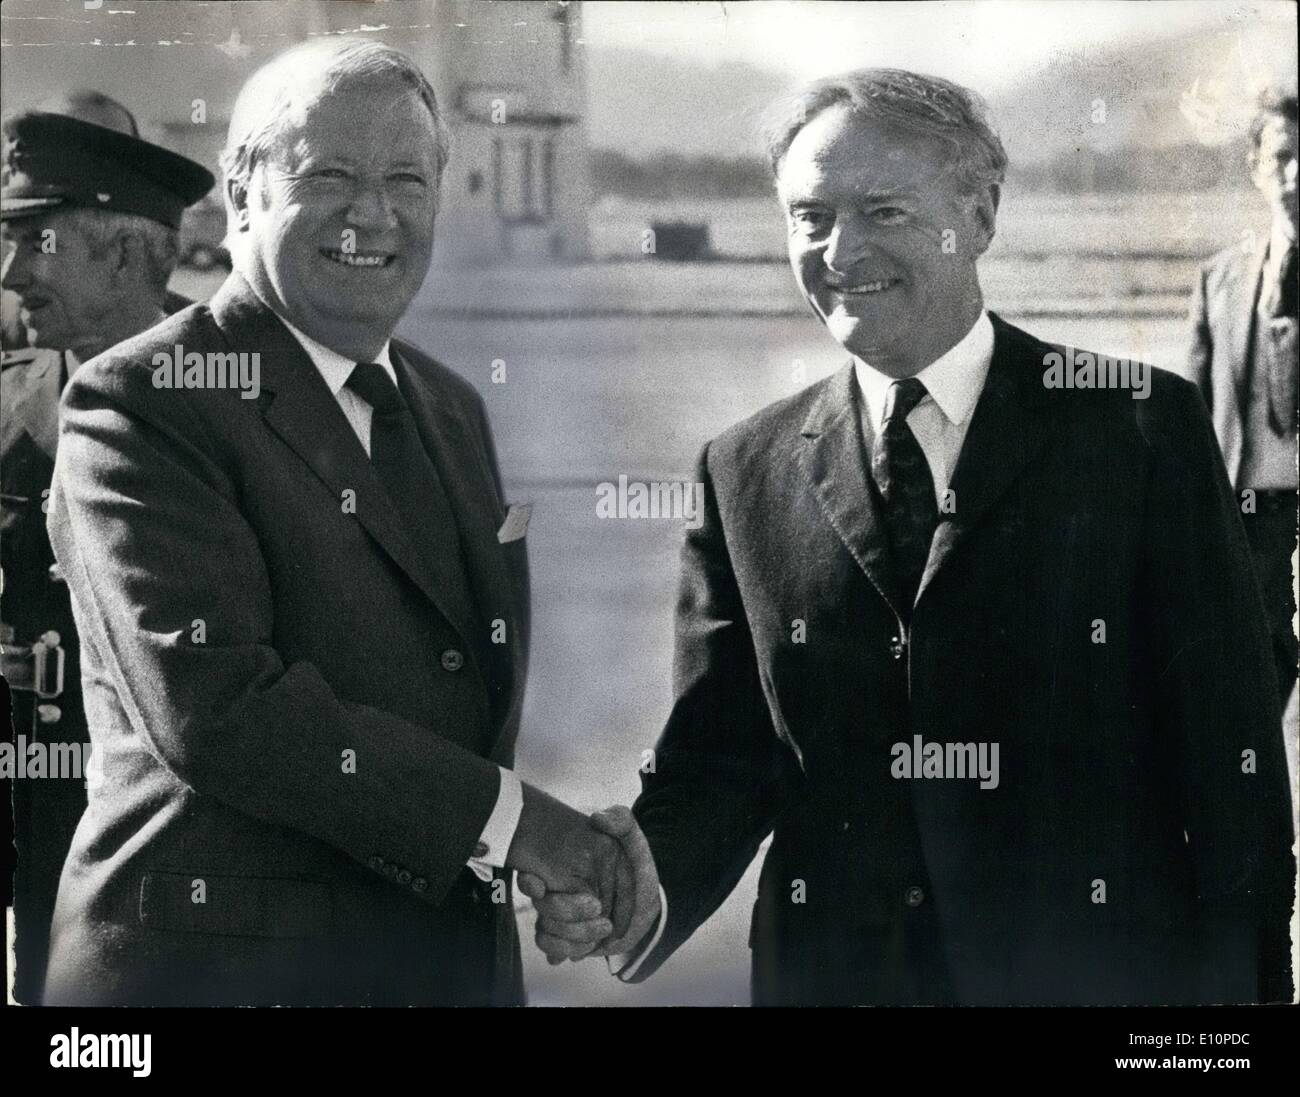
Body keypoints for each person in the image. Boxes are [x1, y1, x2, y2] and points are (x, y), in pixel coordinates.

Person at [526, 68, 1296, 1006]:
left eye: (883, 210)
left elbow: (1232, 771)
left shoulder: (1138, 428)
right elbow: (723, 761)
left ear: (979, 216)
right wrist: (641, 886)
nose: (841, 251)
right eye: (809, 216)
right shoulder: (743, 468)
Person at [42, 38, 645, 1006]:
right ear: (240, 197)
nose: (374, 213)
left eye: (406, 179)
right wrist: (520, 825)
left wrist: (531, 863)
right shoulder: (144, 397)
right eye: (329, 177)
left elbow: (451, 714)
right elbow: (221, 710)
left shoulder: (449, 407)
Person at [1, 92, 214, 1004]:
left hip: (186, 824)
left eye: (33, 242)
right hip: (35, 803)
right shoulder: (12, 404)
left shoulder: (238, 398)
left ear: (125, 249)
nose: (10, 273)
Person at [1187, 90, 1297, 712]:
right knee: (1249, 693)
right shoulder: (1219, 280)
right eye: (1283, 155)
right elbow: (1189, 418)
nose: (1297, 173)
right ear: (1255, 164)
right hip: (1251, 517)